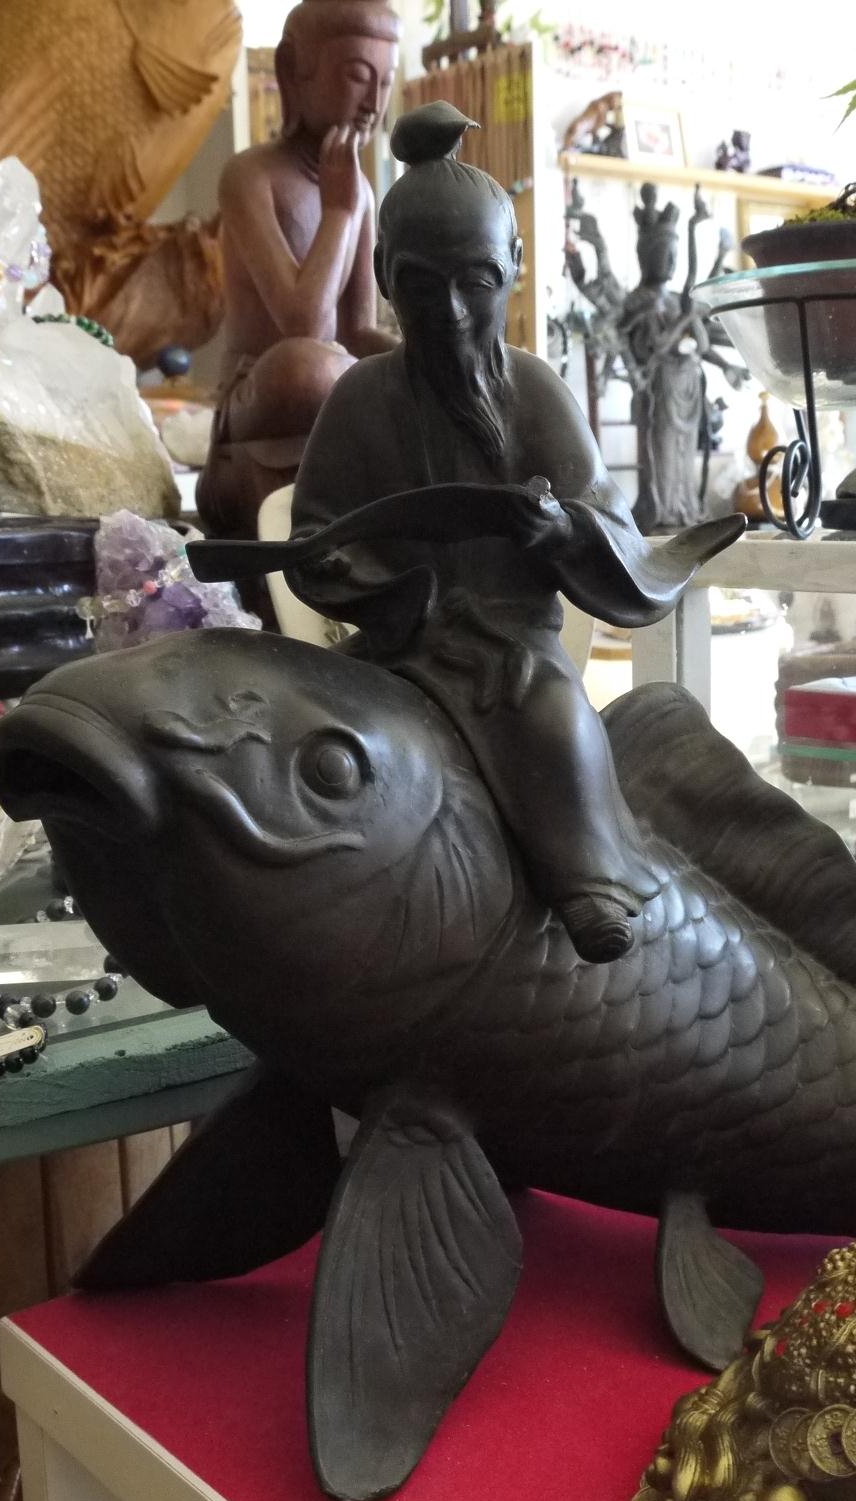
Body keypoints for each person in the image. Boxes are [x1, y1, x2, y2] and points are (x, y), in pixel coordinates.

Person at [283, 102, 743, 963]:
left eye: (478, 282)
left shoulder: (535, 392)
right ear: (383, 274)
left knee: (555, 726)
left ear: (517, 268)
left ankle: (593, 887)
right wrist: (369, 580)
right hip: (397, 649)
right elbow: (317, 534)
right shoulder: (360, 398)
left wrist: (559, 529)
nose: (452, 311)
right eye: (422, 285)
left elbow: (610, 520)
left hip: (512, 654)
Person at [195, 0, 400, 545]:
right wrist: (338, 211)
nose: (373, 102)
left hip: (329, 379)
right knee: (304, 366)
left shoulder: (361, 192)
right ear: (293, 72)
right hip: (263, 391)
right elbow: (303, 324)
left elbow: (357, 329)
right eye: (357, 76)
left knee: (410, 370)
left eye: (385, 82)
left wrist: (422, 359)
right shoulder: (249, 176)